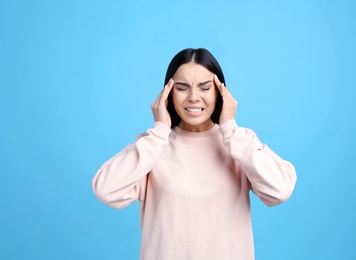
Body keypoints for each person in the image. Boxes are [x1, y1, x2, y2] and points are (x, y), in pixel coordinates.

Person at [92, 48, 297, 260]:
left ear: (220, 92)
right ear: (168, 94)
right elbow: (106, 191)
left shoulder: (240, 142)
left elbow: (279, 191)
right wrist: (159, 131)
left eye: (205, 87)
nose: (193, 97)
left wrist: (231, 130)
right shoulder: (152, 145)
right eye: (182, 88)